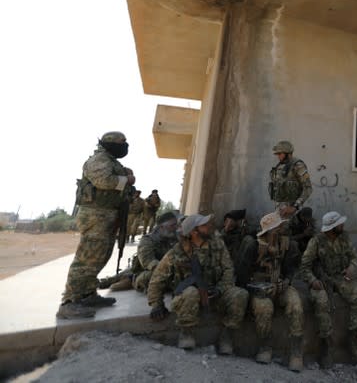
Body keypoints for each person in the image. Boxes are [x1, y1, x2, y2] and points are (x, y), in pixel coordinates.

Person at [57, 131, 134, 320]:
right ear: (110, 143)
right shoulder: (99, 159)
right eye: (121, 142)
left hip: (107, 215)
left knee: (100, 257)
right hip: (95, 215)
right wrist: (127, 179)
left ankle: (87, 294)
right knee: (86, 259)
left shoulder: (111, 161)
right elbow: (105, 181)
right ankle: (69, 302)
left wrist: (126, 175)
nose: (125, 146)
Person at [148, 214, 249, 353]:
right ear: (194, 231)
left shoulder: (218, 245)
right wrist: (156, 304)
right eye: (204, 225)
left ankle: (227, 334)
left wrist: (220, 289)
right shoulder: (178, 251)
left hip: (214, 294)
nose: (210, 226)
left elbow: (228, 270)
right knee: (191, 292)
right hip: (189, 298)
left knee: (240, 294)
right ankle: (187, 332)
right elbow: (157, 279)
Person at [300, 211, 357, 367]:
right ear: (331, 227)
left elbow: (354, 257)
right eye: (339, 224)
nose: (343, 226)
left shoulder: (344, 238)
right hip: (322, 280)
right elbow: (304, 267)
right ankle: (327, 346)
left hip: (341, 278)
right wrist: (313, 281)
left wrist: (351, 268)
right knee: (321, 302)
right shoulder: (316, 241)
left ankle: (352, 340)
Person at [246, 212, 304, 371]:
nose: (281, 229)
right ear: (269, 231)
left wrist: (286, 281)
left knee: (296, 305)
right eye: (277, 227)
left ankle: (296, 352)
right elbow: (244, 272)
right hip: (261, 289)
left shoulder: (288, 244)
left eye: (280, 226)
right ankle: (266, 346)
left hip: (281, 286)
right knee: (264, 309)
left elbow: (292, 268)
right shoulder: (254, 246)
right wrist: (261, 257)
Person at [104, 211, 179, 292]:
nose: (176, 228)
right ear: (161, 227)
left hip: (166, 269)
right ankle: (131, 280)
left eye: (176, 225)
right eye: (172, 226)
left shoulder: (175, 238)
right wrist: (170, 270)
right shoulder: (147, 240)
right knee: (156, 277)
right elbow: (148, 262)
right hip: (147, 270)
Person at [268, 141, 313, 219]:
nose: (278, 156)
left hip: (292, 212)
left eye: (280, 154)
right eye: (277, 154)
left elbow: (308, 188)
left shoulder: (298, 165)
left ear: (288, 153)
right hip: (280, 211)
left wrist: (295, 207)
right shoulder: (279, 166)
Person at [220, 209, 257, 287]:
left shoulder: (242, 231)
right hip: (225, 265)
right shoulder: (224, 233)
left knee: (249, 240)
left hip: (238, 266)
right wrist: (226, 228)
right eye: (227, 220)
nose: (228, 222)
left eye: (231, 220)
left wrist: (243, 226)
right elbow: (220, 241)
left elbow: (254, 232)